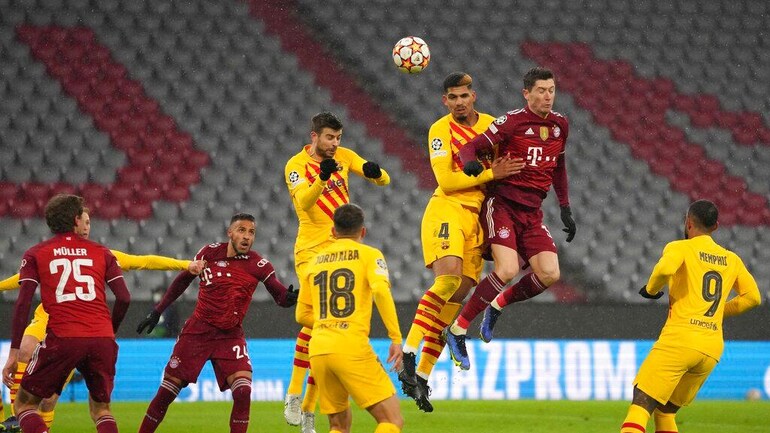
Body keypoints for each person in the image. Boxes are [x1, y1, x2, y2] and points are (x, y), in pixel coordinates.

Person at [0, 210, 205, 432]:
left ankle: (38, 425)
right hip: (47, 318)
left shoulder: (102, 253)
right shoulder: (51, 252)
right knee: (25, 349)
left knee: (48, 401)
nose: (87, 226)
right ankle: (14, 418)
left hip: (79, 327)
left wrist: (185, 264)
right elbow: (22, 279)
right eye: (84, 222)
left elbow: (144, 261)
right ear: (73, 222)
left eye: (90, 222)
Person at [397, 72, 524, 412]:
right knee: (448, 279)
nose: (458, 102)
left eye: (463, 96)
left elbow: (506, 171)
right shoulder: (440, 130)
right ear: (445, 101)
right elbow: (447, 180)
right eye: (452, 97)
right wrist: (489, 174)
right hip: (448, 209)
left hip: (478, 220)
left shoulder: (491, 128)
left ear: (474, 96)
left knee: (454, 301)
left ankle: (422, 377)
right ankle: (409, 354)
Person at [445, 66, 577, 370]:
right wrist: (469, 166)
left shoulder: (560, 126)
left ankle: (497, 306)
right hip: (502, 205)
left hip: (533, 213)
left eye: (551, 90)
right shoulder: (512, 122)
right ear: (526, 93)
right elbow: (470, 147)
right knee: (506, 269)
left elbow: (559, 167)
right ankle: (457, 329)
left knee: (550, 274)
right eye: (541, 91)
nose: (547, 96)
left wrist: (565, 207)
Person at [135, 213, 298, 433]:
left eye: (251, 232)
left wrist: (289, 299)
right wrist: (157, 311)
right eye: (241, 230)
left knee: (243, 392)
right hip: (198, 331)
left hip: (230, 335)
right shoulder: (209, 253)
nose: (247, 236)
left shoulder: (259, 264)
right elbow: (183, 280)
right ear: (230, 232)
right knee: (167, 392)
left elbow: (279, 295)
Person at [283, 111, 390, 431]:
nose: (334, 144)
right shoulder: (295, 165)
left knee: (324, 327)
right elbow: (304, 202)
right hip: (311, 250)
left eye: (338, 138)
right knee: (318, 322)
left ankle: (309, 407)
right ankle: (293, 394)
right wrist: (322, 177)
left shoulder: (344, 156)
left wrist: (376, 172)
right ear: (314, 136)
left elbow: (383, 179)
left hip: (340, 249)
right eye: (329, 138)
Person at [620, 200, 761, 433]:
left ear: (688, 223)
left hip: (680, 340)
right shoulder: (731, 259)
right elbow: (752, 297)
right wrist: (718, 313)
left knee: (642, 402)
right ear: (716, 226)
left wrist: (651, 290)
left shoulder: (680, 248)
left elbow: (664, 270)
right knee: (665, 411)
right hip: (711, 347)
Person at [4, 194, 131, 433]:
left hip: (63, 338)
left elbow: (23, 303)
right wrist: (109, 331)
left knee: (24, 404)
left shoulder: (36, 253)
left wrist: (13, 352)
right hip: (102, 338)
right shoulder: (103, 252)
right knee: (102, 410)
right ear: (75, 219)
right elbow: (124, 297)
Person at [295, 203, 404, 433]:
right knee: (391, 421)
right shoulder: (369, 255)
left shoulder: (314, 262)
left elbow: (301, 314)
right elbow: (381, 291)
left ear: (333, 231)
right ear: (362, 231)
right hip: (351, 346)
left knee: (338, 426)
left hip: (319, 350)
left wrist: (328, 324)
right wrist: (395, 337)